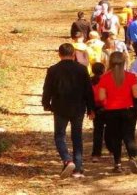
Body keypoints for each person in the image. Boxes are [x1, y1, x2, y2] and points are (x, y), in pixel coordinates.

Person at [42, 43, 95, 178]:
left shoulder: (53, 70)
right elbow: (88, 90)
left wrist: (46, 103)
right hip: (78, 107)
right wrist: (91, 108)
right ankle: (78, 168)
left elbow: (47, 89)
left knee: (59, 135)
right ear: (73, 54)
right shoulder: (82, 69)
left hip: (60, 107)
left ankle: (67, 159)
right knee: (77, 136)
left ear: (59, 54)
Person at [96, 52, 137, 174]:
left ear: (110, 63)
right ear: (124, 62)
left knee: (115, 138)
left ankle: (117, 164)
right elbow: (136, 95)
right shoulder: (131, 76)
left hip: (111, 112)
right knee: (129, 136)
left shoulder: (104, 78)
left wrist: (109, 98)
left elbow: (101, 97)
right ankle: (132, 158)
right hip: (128, 111)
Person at [90, 62, 107, 162]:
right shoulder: (107, 79)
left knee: (98, 131)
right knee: (111, 129)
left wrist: (90, 110)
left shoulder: (89, 81)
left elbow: (88, 96)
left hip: (96, 108)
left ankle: (96, 153)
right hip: (108, 107)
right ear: (103, 70)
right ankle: (113, 149)